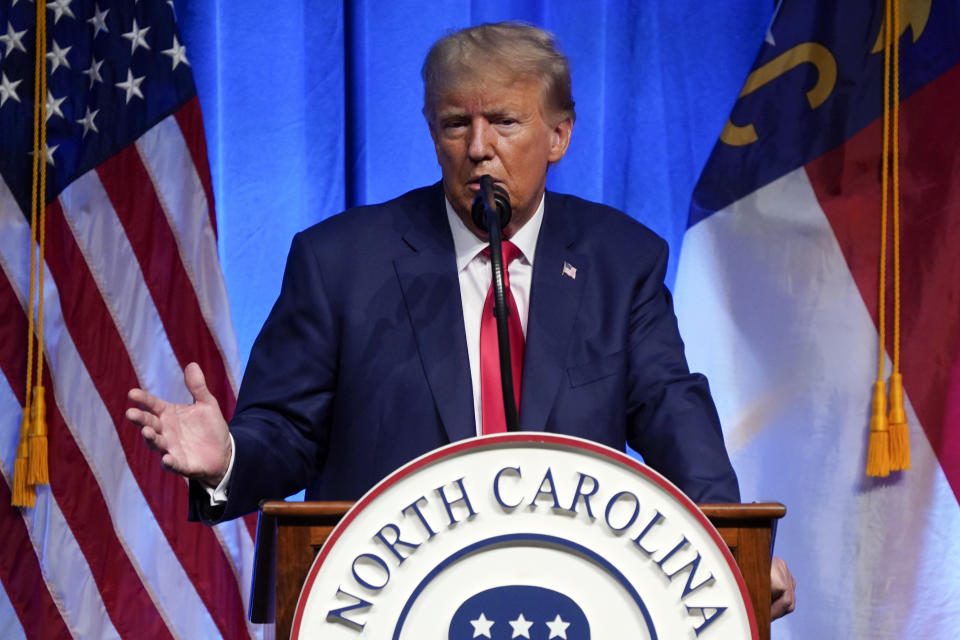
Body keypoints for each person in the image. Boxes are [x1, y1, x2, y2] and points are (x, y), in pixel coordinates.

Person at [127, 22, 794, 619]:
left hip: (574, 600)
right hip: (378, 606)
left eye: (505, 122)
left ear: (559, 135)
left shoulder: (621, 261)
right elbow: (288, 431)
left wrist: (731, 543)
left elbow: (671, 410)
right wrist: (227, 460)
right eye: (455, 124)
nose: (478, 148)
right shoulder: (340, 262)